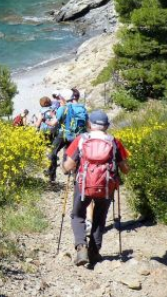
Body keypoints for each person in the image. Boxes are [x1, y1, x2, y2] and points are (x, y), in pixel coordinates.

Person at [63, 110, 129, 266]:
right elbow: (125, 168)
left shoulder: (81, 139)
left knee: (78, 215)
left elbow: (69, 165)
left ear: (89, 124)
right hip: (106, 186)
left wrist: (64, 168)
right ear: (106, 126)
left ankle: (81, 247)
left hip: (84, 184)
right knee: (99, 219)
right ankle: (94, 252)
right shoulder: (114, 142)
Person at [47, 89, 88, 182]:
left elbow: (53, 123)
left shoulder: (62, 108)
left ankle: (51, 176)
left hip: (64, 134)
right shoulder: (81, 108)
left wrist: (51, 117)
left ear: (63, 98)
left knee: (52, 153)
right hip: (76, 135)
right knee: (76, 154)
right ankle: (76, 177)